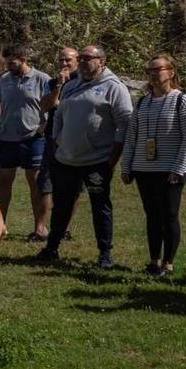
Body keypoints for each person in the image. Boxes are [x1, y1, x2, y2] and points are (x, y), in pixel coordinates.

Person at [38, 45, 132, 269]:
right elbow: (58, 115)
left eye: (88, 59)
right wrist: (58, 139)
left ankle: (105, 254)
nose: (82, 63)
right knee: (61, 205)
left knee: (100, 206)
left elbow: (125, 124)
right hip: (66, 159)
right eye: (80, 59)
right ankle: (52, 248)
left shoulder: (114, 88)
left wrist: (113, 158)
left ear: (102, 61)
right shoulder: (71, 85)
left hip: (97, 160)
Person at [122, 54, 186, 279]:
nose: (153, 74)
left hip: (169, 169)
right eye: (150, 70)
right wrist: (127, 166)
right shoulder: (142, 101)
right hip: (143, 168)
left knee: (169, 215)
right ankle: (153, 261)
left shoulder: (180, 100)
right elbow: (132, 136)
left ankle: (168, 264)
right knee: (152, 216)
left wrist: (179, 168)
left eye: (158, 70)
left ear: (171, 72)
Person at [0, 45, 50, 236]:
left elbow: (52, 107)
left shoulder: (42, 79)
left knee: (36, 182)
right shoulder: (4, 80)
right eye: (6, 63)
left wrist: (42, 130)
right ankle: (0, 225)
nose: (8, 66)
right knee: (4, 181)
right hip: (7, 139)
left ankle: (40, 227)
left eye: (11, 62)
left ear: (23, 58)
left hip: (33, 139)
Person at [36, 47, 80, 241]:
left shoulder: (83, 82)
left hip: (75, 140)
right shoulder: (52, 82)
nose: (64, 64)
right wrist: (59, 86)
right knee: (45, 183)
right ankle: (40, 228)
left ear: (77, 61)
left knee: (74, 186)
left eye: (68, 60)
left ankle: (66, 229)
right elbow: (47, 106)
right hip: (53, 139)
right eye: (61, 60)